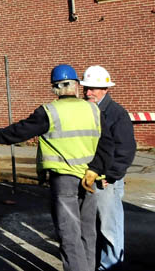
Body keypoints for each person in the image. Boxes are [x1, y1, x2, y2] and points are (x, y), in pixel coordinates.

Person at [0, 64, 112, 271]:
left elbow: (20, 130)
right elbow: (107, 143)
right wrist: (94, 168)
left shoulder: (49, 112)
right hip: (89, 178)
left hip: (64, 180)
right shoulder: (93, 109)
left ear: (54, 89)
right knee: (88, 230)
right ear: (76, 85)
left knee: (69, 233)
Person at [80, 65, 136, 270]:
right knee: (93, 227)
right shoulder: (87, 110)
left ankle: (110, 267)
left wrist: (110, 175)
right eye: (86, 88)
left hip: (106, 181)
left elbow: (126, 149)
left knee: (109, 229)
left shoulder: (116, 114)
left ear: (105, 89)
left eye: (93, 88)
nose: (88, 93)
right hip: (89, 178)